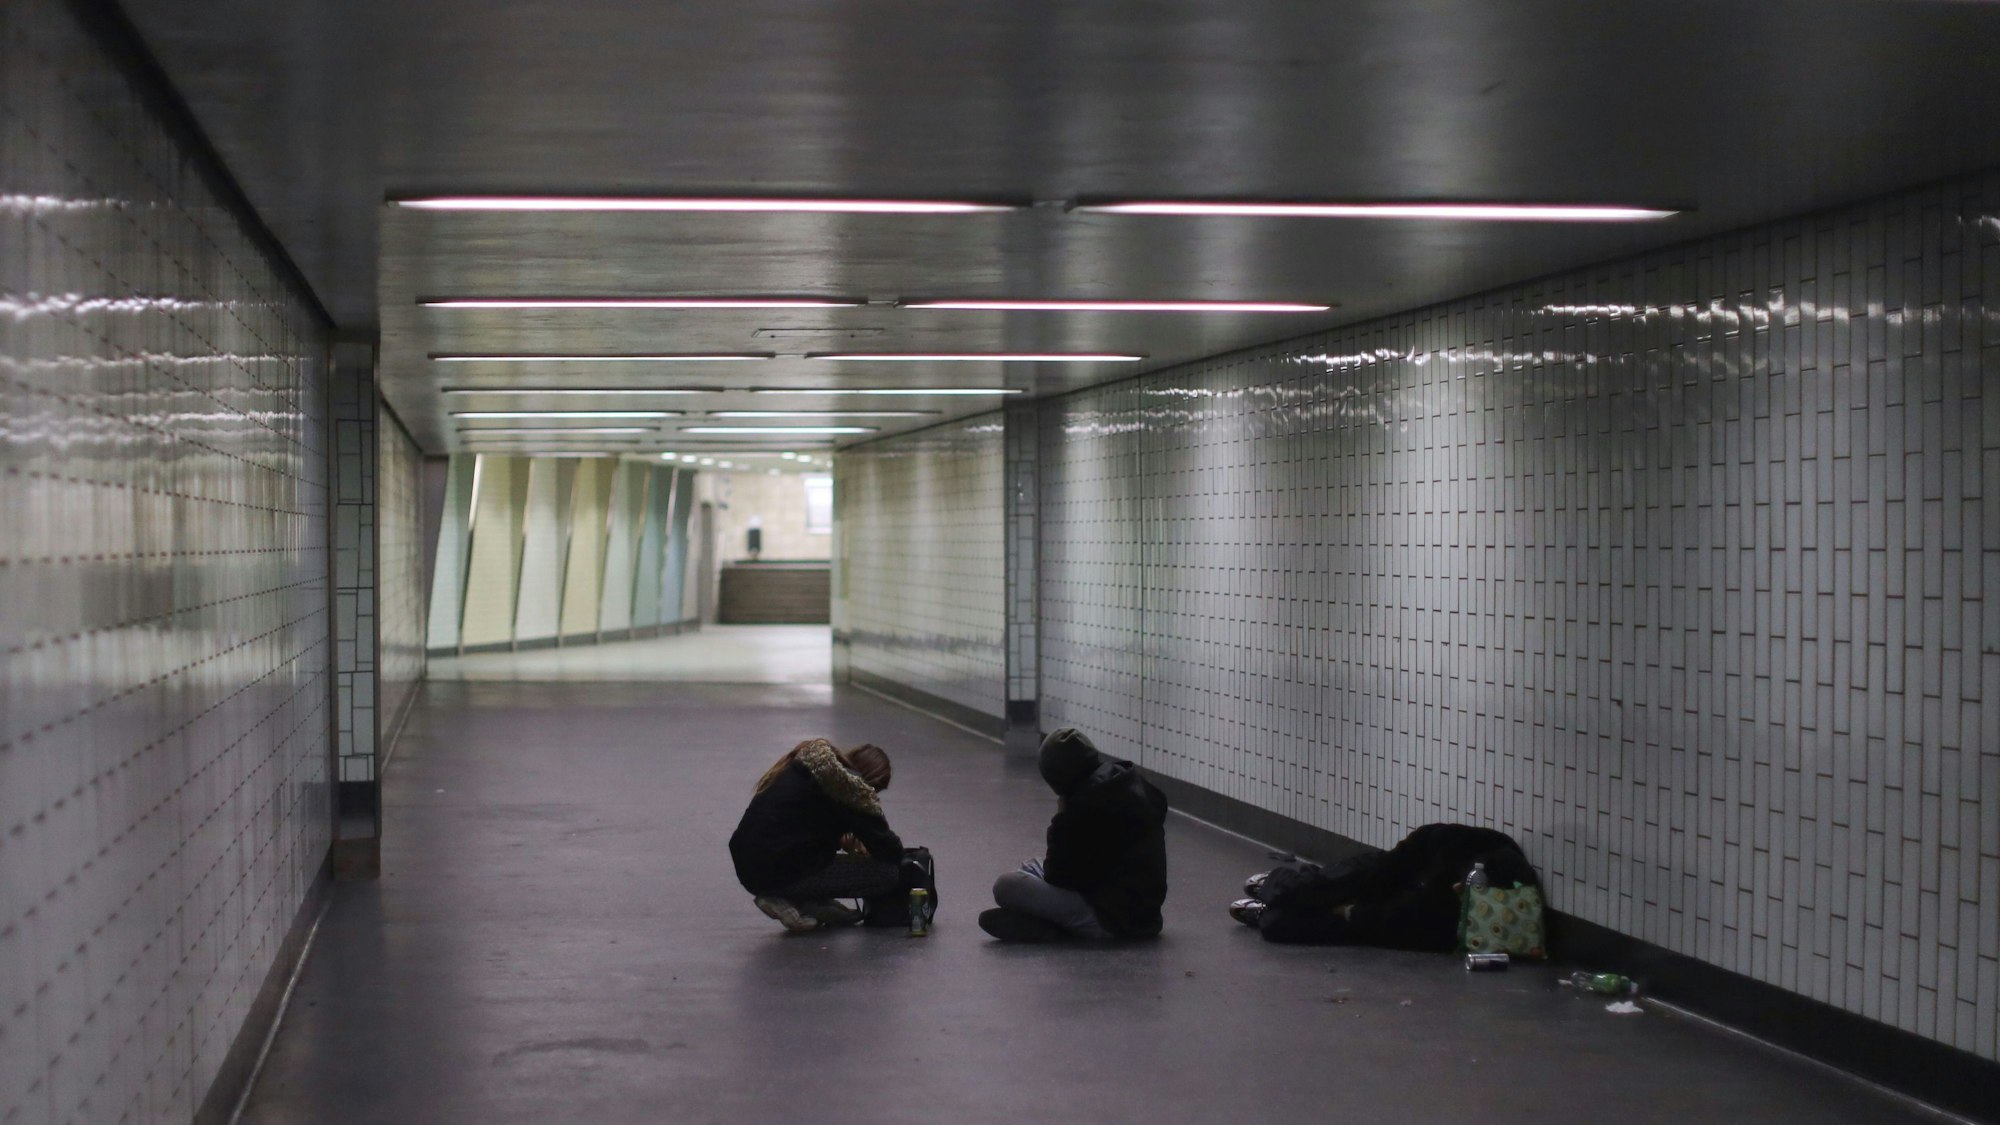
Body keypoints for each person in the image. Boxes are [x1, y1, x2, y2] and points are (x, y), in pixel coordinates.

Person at [978, 728, 1169, 942]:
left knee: (1007, 885)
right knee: (1031, 866)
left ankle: (1056, 927)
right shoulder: (1124, 782)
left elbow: (1057, 875)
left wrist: (1061, 816)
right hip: (1147, 917)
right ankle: (1048, 922)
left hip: (1111, 921)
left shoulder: (1083, 808)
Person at [1227, 823, 1537, 949]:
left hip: (1387, 916)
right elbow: (1400, 858)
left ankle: (1268, 910)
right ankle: (1275, 884)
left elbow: (1402, 925)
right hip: (1387, 876)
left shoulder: (1462, 921)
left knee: (1281, 926)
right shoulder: (1457, 846)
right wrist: (1354, 899)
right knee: (1319, 887)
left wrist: (1352, 913)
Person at [728, 738, 904, 932]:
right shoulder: (851, 789)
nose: (875, 795)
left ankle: (811, 899)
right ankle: (795, 900)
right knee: (887, 873)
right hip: (777, 872)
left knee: (817, 861)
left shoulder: (808, 766)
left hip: (749, 866)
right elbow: (891, 850)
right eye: (876, 790)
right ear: (872, 781)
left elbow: (798, 826)